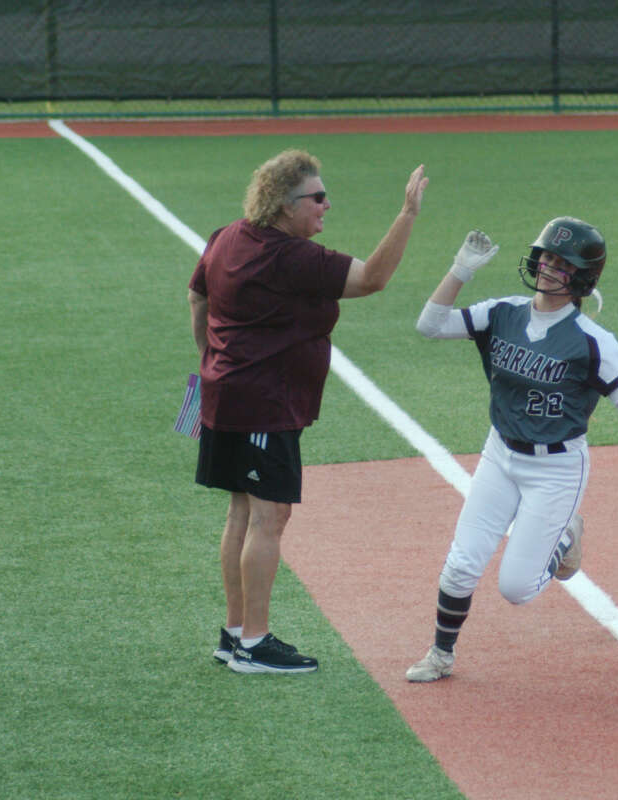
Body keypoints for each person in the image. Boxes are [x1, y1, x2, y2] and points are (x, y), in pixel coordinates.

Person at [404, 219, 618, 682]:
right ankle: (441, 654)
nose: (550, 267)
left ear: (583, 277)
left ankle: (566, 537)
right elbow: (429, 325)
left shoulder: (591, 338)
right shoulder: (503, 313)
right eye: (547, 257)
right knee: (460, 564)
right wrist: (460, 269)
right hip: (500, 455)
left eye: (563, 263)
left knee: (516, 589)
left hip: (556, 468)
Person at [189, 150, 427, 674]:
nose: (326, 205)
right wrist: (407, 214)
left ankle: (233, 635)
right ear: (283, 204)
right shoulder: (290, 257)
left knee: (242, 512)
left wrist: (210, 357)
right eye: (316, 198)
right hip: (263, 404)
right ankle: (253, 644)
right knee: (269, 515)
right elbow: (372, 279)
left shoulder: (226, 236)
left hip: (223, 395)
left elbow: (197, 296)